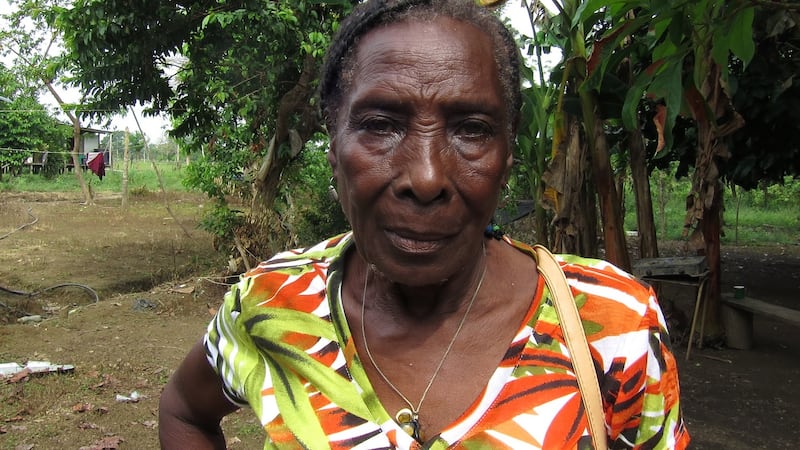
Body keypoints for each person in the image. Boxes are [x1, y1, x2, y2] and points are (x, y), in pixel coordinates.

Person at [158, 1, 690, 449]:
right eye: (381, 125)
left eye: (472, 129)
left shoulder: (615, 323)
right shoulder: (271, 304)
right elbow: (184, 409)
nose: (427, 176)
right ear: (333, 145)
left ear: (507, 156)